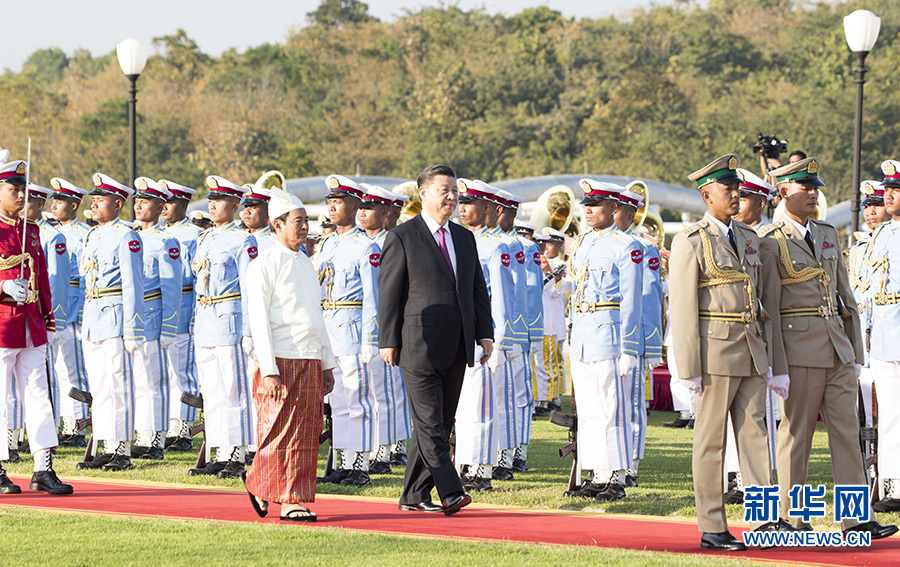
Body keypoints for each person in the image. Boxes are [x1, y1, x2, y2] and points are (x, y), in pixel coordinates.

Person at [759, 158, 895, 539]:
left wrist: (854, 353)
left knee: (848, 435)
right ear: (784, 191)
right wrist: (777, 365)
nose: (813, 194)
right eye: (805, 188)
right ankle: (791, 517)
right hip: (798, 350)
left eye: (815, 188)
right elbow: (769, 308)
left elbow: (846, 297)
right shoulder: (770, 241)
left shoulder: (827, 233)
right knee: (796, 437)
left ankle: (857, 518)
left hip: (837, 348)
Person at [670, 154, 779, 551]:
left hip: (750, 348)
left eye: (737, 189)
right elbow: (682, 307)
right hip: (714, 352)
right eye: (727, 189)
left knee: (756, 438)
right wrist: (689, 366)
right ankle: (713, 526)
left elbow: (761, 298)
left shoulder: (749, 238)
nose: (735, 195)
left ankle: (765, 519)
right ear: (706, 195)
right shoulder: (691, 240)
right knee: (711, 442)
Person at [378, 164, 493, 516]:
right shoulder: (402, 236)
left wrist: (484, 333)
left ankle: (413, 494)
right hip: (417, 343)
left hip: (457, 344)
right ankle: (451, 490)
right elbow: (389, 293)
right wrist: (387, 339)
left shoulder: (464, 238)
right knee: (429, 423)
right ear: (424, 193)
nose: (452, 198)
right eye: (445, 191)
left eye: (455, 191)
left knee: (440, 424)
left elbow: (476, 289)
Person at [244, 187, 336, 522]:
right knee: (278, 430)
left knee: (307, 432)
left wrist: (326, 363)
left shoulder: (306, 263)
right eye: (298, 221)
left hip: (308, 357)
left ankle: (287, 495)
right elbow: (258, 321)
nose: (305, 227)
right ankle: (274, 491)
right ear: (277, 224)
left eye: (306, 220)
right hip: (280, 358)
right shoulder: (264, 264)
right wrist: (268, 369)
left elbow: (316, 317)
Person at [564, 179, 642, 501]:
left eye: (595, 205)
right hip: (584, 335)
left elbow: (632, 300)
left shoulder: (627, 246)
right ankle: (598, 473)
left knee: (613, 410)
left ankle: (617, 475)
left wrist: (630, 347)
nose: (588, 210)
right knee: (589, 410)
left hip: (610, 335)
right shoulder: (582, 242)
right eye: (586, 205)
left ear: (613, 208)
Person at [0, 155, 72, 495]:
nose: (21, 195)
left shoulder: (31, 230)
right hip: (2, 325)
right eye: (13, 188)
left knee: (39, 394)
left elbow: (41, 278)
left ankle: (43, 467)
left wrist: (49, 319)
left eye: (23, 188)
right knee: (1, 398)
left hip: (31, 325)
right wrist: (2, 287)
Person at [189, 175, 258, 479]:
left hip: (230, 321)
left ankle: (237, 453)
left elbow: (250, 289)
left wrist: (248, 331)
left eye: (220, 201)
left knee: (234, 391)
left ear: (234, 205)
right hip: (206, 321)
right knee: (212, 391)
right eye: (211, 200)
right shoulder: (204, 238)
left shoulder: (243, 241)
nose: (213, 205)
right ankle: (219, 450)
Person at [75, 173, 145, 472]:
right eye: (93, 200)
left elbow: (133, 285)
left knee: (119, 385)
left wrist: (133, 328)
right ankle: (106, 443)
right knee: (100, 386)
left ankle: (122, 448)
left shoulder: (126, 236)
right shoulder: (91, 235)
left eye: (100, 200)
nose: (93, 205)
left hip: (116, 318)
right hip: (94, 317)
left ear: (117, 204)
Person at [314, 175, 380, 487]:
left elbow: (373, 298)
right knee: (337, 403)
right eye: (330, 202)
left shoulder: (365, 247)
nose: (332, 207)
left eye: (338, 202)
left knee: (358, 401)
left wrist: (370, 339)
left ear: (354, 206)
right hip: (330, 332)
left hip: (353, 333)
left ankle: (360, 464)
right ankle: (343, 460)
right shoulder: (327, 244)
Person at [454, 178, 514, 492]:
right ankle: (463, 462)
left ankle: (482, 468)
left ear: (488, 207)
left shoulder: (496, 246)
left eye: (470, 203)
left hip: (483, 331)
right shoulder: (456, 240)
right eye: (461, 203)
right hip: (459, 330)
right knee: (462, 404)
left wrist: (499, 341)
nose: (462, 209)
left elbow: (501, 299)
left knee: (482, 404)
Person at [357, 183, 412, 475]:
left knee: (388, 391)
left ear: (387, 212)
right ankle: (379, 444)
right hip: (362, 327)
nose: (363, 213)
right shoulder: (361, 243)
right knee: (369, 391)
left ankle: (387, 448)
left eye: (370, 208)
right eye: (361, 207)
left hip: (390, 327)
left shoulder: (394, 242)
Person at [613, 187, 663, 487]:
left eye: (616, 208)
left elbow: (650, 297)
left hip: (631, 338)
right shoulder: (592, 244)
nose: (609, 212)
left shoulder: (643, 248)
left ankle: (630, 463)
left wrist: (651, 344)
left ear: (631, 215)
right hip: (601, 337)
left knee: (631, 404)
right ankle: (606, 464)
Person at [130, 178, 182, 460]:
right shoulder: (132, 237)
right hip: (134, 319)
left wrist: (169, 326)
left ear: (161, 208)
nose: (138, 206)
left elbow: (171, 287)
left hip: (154, 316)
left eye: (145, 202)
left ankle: (157, 438)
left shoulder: (166, 241)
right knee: (138, 381)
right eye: (137, 201)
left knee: (154, 381)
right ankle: (142, 434)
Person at [860, 160, 900, 514]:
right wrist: (869, 328)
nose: (888, 195)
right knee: (888, 412)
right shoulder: (883, 233)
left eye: (895, 189)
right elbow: (874, 286)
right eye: (887, 189)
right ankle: (891, 483)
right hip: (885, 335)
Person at [496, 189, 542, 473]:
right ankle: (495, 450)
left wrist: (534, 334)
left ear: (512, 214)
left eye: (499, 210)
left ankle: (517, 452)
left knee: (518, 395)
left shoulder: (525, 248)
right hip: (490, 331)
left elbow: (533, 292)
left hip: (518, 332)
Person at [159, 179, 203, 451]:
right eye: (162, 202)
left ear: (184, 205)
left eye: (170, 202)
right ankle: (169, 425)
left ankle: (184, 428)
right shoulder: (157, 233)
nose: (164, 207)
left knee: (183, 371)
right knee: (164, 372)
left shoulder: (194, 235)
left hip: (184, 305)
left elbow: (199, 277)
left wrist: (196, 314)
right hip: (159, 307)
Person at [48, 177, 91, 446]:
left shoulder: (84, 234)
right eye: (53, 200)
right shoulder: (52, 233)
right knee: (59, 370)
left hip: (75, 308)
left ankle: (78, 424)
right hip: (55, 306)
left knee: (75, 369)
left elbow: (86, 277)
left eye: (60, 201)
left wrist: (83, 311)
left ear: (74, 205)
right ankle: (66, 422)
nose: (54, 205)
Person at [534, 228, 569, 416]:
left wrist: (556, 278)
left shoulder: (561, 265)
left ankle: (550, 399)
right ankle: (546, 398)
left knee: (550, 364)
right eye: (545, 244)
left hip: (552, 323)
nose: (547, 248)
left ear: (559, 245)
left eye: (550, 244)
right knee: (542, 363)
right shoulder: (538, 263)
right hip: (543, 322)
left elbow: (558, 291)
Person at [240, 184, 276, 253]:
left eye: (253, 207)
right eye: (245, 207)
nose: (246, 211)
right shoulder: (239, 239)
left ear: (268, 212)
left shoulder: (275, 244)